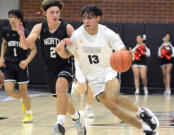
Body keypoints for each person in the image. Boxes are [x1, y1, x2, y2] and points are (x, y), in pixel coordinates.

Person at [56, 5, 159, 135]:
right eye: (84, 18)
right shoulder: (77, 35)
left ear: (98, 18)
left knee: (113, 99)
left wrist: (127, 55)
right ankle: (146, 129)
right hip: (93, 78)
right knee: (115, 110)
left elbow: (121, 50)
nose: (86, 21)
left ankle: (141, 113)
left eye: (90, 18)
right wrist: (61, 52)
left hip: (109, 70)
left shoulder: (107, 33)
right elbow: (67, 54)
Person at [16, 0, 86, 135]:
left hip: (66, 65)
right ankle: (77, 118)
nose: (55, 15)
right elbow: (25, 46)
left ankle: (59, 124)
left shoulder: (67, 28)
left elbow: (79, 49)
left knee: (61, 88)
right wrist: (21, 36)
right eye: (52, 12)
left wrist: (68, 46)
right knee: (61, 97)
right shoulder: (39, 27)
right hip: (50, 69)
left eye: (57, 12)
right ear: (45, 14)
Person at [0, 9, 37, 122]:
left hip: (21, 65)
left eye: (14, 17)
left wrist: (26, 61)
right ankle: (22, 99)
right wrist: (1, 57)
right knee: (9, 90)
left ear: (19, 19)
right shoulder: (6, 31)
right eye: (10, 17)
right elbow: (4, 43)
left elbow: (34, 50)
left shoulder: (25, 32)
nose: (12, 19)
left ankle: (29, 114)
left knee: (23, 90)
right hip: (9, 64)